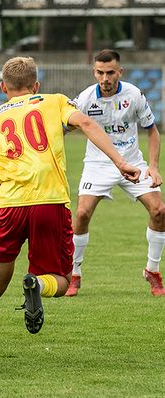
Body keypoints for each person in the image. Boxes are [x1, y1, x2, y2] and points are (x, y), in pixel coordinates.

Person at [0, 56, 141, 371]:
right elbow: (85, 123)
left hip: (8, 208)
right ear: (36, 85)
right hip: (49, 203)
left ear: (3, 87)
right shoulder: (55, 101)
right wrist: (120, 162)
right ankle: (36, 285)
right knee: (61, 278)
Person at [67, 49, 165, 297]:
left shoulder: (134, 95)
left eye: (110, 72)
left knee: (160, 210)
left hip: (132, 162)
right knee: (81, 213)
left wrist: (153, 166)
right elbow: (62, 128)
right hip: (98, 164)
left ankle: (152, 271)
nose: (105, 78)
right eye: (100, 72)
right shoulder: (86, 99)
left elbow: (152, 131)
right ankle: (74, 273)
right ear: (94, 72)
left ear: (120, 72)